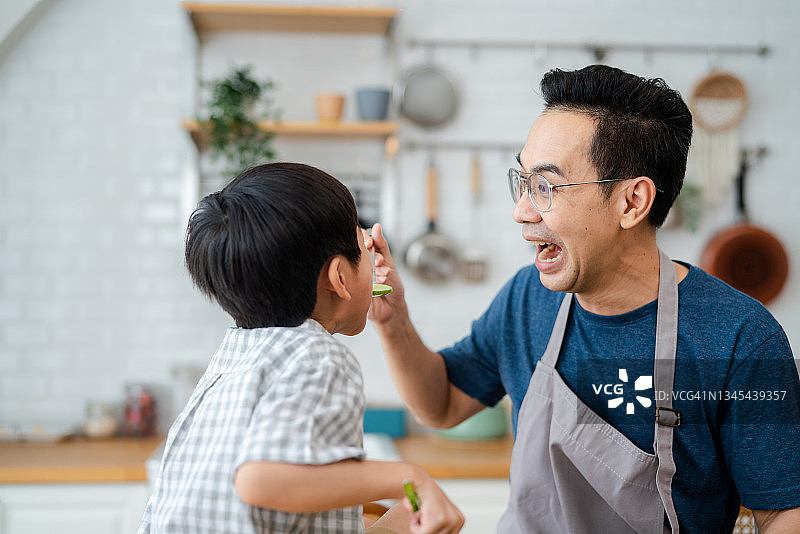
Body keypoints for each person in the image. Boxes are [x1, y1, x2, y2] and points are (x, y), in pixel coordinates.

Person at [366, 65, 800, 533]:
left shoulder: (739, 338)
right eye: (523, 180)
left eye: (546, 186)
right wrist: (394, 322)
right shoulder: (527, 298)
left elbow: (781, 514)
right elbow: (442, 404)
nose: (520, 211)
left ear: (632, 203)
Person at [139, 163, 464, 534]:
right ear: (340, 278)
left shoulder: (237, 354)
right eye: (364, 249)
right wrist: (412, 478)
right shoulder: (318, 356)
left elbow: (260, 509)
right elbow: (260, 480)